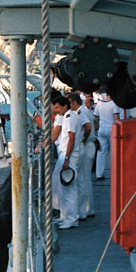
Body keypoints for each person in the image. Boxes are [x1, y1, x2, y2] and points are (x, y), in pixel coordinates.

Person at [51, 97, 82, 229]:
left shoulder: (70, 117)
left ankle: (72, 218)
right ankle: (65, 216)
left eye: (58, 107)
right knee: (62, 187)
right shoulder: (66, 117)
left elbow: (71, 138)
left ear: (65, 106)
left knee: (69, 188)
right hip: (63, 154)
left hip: (68, 155)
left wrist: (67, 158)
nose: (56, 110)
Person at [69, 93, 95, 220]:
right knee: (85, 179)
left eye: (70, 103)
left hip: (87, 145)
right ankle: (88, 208)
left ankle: (87, 209)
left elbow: (88, 127)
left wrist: (84, 138)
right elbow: (95, 123)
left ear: (74, 103)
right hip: (90, 144)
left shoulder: (81, 113)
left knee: (84, 179)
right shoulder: (85, 111)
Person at [93, 92, 121, 180]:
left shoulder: (99, 103)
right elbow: (116, 118)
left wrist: (97, 126)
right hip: (112, 129)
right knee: (114, 151)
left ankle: (99, 174)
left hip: (101, 129)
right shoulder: (114, 104)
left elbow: (95, 116)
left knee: (101, 152)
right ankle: (115, 173)